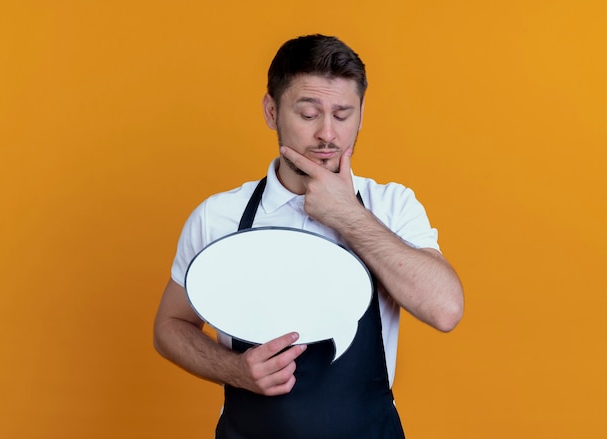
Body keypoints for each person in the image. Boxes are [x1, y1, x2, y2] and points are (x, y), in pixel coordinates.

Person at [154, 34, 464, 438]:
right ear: (271, 111)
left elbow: (445, 309)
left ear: (361, 113)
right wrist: (235, 370)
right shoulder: (219, 216)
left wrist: (348, 215)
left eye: (342, 114)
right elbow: (170, 327)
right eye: (308, 114)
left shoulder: (391, 206)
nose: (327, 135)